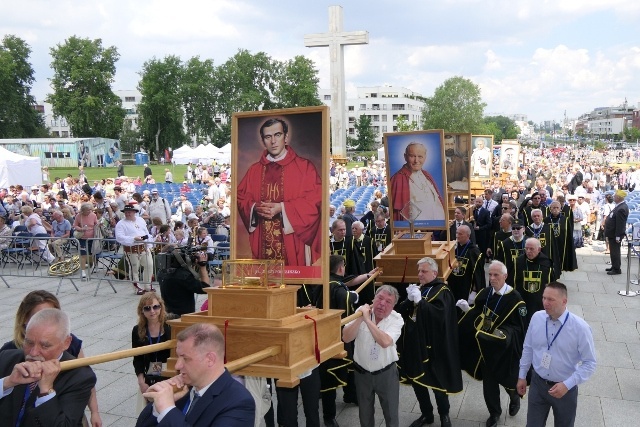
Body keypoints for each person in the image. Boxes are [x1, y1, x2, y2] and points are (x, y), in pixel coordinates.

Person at [0, 290, 102, 426]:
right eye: (29, 342)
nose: (34, 352)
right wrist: (6, 383)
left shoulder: (80, 376)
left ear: (66, 343)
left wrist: (46, 392)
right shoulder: (7, 357)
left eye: (45, 346)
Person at [237, 117, 322, 268]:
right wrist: (255, 208)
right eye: (268, 137)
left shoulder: (304, 167)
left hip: (293, 242)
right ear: (263, 141)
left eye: (277, 135)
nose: (273, 141)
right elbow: (241, 198)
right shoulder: (254, 170)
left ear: (286, 137)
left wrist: (282, 208)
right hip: (263, 241)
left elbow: (314, 200)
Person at [136, 323, 255, 427]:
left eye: (185, 359)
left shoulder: (239, 402)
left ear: (210, 359)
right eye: (178, 357)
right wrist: (157, 406)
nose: (177, 366)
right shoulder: (183, 389)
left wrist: (167, 410)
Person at [456, 261, 527, 427]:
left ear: (505, 276)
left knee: (506, 378)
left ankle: (514, 395)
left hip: (503, 349)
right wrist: (468, 311)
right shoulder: (486, 292)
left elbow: (518, 328)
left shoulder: (516, 300)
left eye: (496, 275)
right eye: (490, 274)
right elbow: (478, 312)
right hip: (486, 348)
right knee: (489, 383)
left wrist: (503, 334)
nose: (492, 278)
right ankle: (494, 413)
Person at [517, 282, 596, 427]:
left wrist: (567, 385)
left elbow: (590, 363)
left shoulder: (580, 328)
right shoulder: (537, 318)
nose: (545, 303)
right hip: (538, 384)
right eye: (544, 298)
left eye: (550, 299)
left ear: (564, 301)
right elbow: (528, 347)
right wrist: (522, 375)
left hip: (565, 389)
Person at [396, 257, 461, 427]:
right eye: (419, 271)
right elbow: (402, 312)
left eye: (423, 271)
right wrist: (409, 300)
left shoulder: (443, 291)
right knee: (418, 381)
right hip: (415, 344)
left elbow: (439, 316)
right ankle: (426, 414)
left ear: (434, 272)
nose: (420, 274)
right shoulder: (420, 289)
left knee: (437, 382)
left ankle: (444, 414)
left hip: (434, 346)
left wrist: (420, 302)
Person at [342, 285, 404, 427]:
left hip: (386, 374)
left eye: (388, 302)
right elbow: (346, 337)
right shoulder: (361, 312)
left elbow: (385, 341)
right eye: (379, 298)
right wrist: (360, 318)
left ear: (393, 306)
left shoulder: (397, 319)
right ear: (373, 298)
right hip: (362, 373)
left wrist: (367, 321)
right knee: (365, 415)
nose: (382, 304)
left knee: (391, 414)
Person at [132, 294, 173, 412]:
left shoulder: (170, 323)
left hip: (169, 370)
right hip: (151, 371)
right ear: (142, 311)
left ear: (161, 307)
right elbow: (137, 358)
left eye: (156, 307)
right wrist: (141, 381)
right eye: (147, 308)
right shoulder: (137, 330)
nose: (152, 311)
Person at [390, 142, 445, 223]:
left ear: (425, 157)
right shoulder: (398, 179)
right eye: (412, 156)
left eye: (420, 156)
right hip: (416, 229)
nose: (416, 160)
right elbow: (398, 214)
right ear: (405, 157)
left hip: (437, 226)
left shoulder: (426, 175)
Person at [514, 238, 556, 330]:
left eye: (531, 249)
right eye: (526, 248)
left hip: (539, 302)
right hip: (522, 300)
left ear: (539, 249)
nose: (528, 251)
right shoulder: (518, 262)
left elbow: (551, 285)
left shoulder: (546, 264)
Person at [157, 249, 211, 317]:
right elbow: (205, 288)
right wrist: (202, 266)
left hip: (167, 314)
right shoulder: (184, 276)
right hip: (184, 317)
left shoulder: (161, 273)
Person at [115, 204, 155, 295]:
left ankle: (148, 285)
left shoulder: (140, 220)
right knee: (134, 269)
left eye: (129, 212)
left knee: (149, 265)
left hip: (144, 247)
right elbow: (119, 237)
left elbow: (146, 232)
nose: (128, 214)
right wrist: (133, 239)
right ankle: (137, 288)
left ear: (134, 212)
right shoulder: (121, 224)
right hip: (131, 249)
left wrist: (148, 244)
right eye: (126, 212)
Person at [446, 224, 485, 312]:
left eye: (460, 234)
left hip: (466, 287)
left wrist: (474, 291)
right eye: (457, 233)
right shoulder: (453, 248)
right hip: (453, 286)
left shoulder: (474, 252)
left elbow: (478, 274)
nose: (457, 236)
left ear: (468, 235)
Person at [604, 189, 629, 275]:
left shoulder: (621, 208)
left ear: (618, 198)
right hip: (612, 233)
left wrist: (618, 236)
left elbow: (620, 224)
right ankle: (614, 265)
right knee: (613, 251)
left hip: (615, 234)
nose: (613, 197)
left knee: (615, 251)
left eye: (615, 196)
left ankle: (616, 269)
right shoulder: (619, 206)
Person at [73, 202, 98, 280]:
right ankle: (83, 271)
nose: (89, 211)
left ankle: (94, 266)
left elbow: (96, 224)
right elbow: (75, 225)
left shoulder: (93, 215)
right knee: (83, 254)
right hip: (82, 238)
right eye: (87, 210)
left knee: (93, 253)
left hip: (92, 237)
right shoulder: (78, 216)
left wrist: (99, 225)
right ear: (83, 210)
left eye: (90, 210)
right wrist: (81, 229)